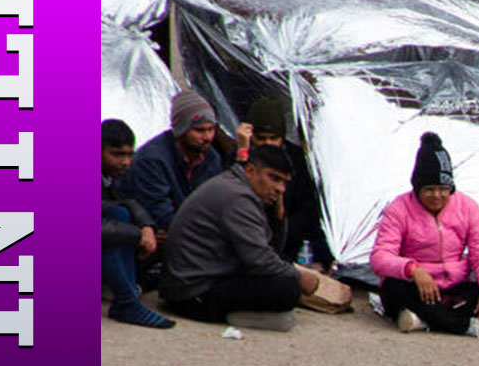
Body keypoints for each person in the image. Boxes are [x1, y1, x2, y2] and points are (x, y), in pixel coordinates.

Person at [158, 143, 323, 330]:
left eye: (284, 183)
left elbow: (271, 250)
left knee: (282, 269)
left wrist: (278, 216)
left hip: (204, 278)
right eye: (273, 178)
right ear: (251, 170)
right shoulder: (238, 197)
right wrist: (300, 278)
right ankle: (239, 316)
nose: (280, 189)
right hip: (192, 294)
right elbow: (260, 260)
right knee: (288, 287)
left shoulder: (240, 189)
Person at [369, 132, 479, 338]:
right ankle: (469, 326)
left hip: (453, 289)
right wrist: (413, 269)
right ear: (417, 188)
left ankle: (423, 319)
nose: (437, 196)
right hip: (417, 287)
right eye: (429, 189)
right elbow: (380, 257)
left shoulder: (468, 206)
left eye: (443, 189)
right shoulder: (399, 208)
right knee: (393, 288)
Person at [233, 94, 332, 269]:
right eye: (261, 138)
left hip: (289, 236)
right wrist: (243, 152)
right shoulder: (241, 157)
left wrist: (283, 229)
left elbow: (309, 209)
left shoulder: (297, 160)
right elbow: (232, 191)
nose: (268, 144)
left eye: (273, 138)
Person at [101, 118, 175, 329]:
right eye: (117, 154)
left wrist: (146, 227)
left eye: (129, 155)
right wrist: (137, 235)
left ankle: (129, 294)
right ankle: (127, 302)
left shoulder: (110, 178)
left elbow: (123, 204)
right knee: (117, 225)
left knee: (121, 214)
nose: (125, 162)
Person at [127, 89, 226, 237]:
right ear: (181, 130)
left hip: (195, 232)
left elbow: (215, 203)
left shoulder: (211, 157)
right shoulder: (152, 160)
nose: (207, 137)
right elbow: (159, 211)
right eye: (199, 130)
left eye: (211, 130)